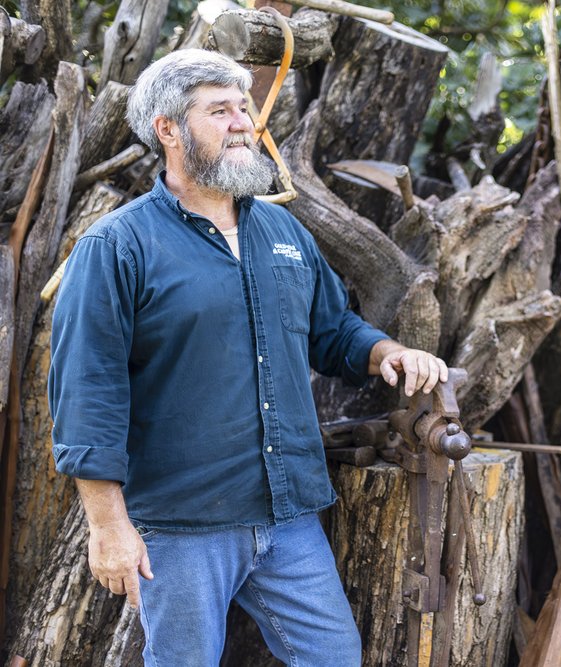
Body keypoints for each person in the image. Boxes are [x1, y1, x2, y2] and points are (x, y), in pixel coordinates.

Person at [48, 49, 447, 666]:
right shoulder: (116, 246)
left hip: (287, 517)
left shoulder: (283, 232)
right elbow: (86, 388)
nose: (244, 123)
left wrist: (388, 352)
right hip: (182, 525)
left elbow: (330, 330)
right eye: (220, 111)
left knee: (335, 657)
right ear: (169, 130)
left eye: (244, 108)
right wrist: (107, 525)